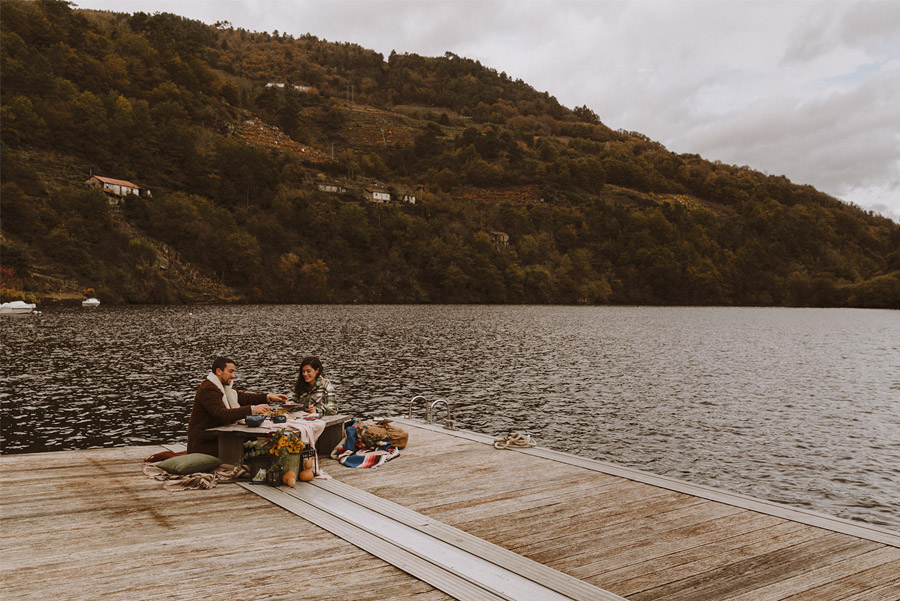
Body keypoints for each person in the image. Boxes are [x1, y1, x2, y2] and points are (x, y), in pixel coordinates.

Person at [187, 357, 289, 457]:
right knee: (254, 444)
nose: (233, 376)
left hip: (218, 437)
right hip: (205, 444)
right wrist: (252, 409)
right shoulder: (208, 389)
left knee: (254, 442)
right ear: (218, 371)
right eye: (230, 372)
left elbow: (244, 397)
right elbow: (221, 414)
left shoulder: (224, 387)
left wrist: (268, 397)